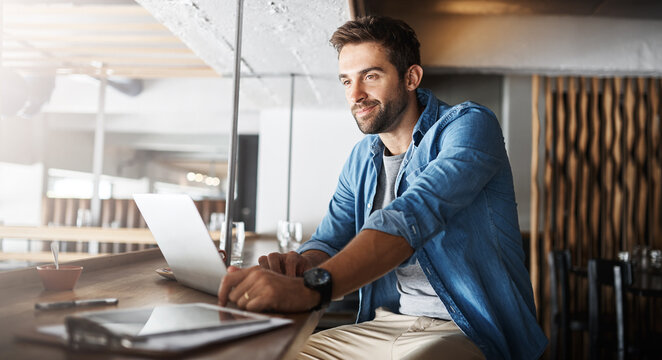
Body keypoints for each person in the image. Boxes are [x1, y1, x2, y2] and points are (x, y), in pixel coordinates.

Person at [218, 16, 547, 360]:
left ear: (411, 77)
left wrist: (313, 288)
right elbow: (329, 240)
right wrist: (294, 267)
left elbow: (413, 215)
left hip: (469, 330)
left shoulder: (469, 125)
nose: (356, 95)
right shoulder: (361, 157)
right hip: (385, 324)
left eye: (370, 76)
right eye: (346, 81)